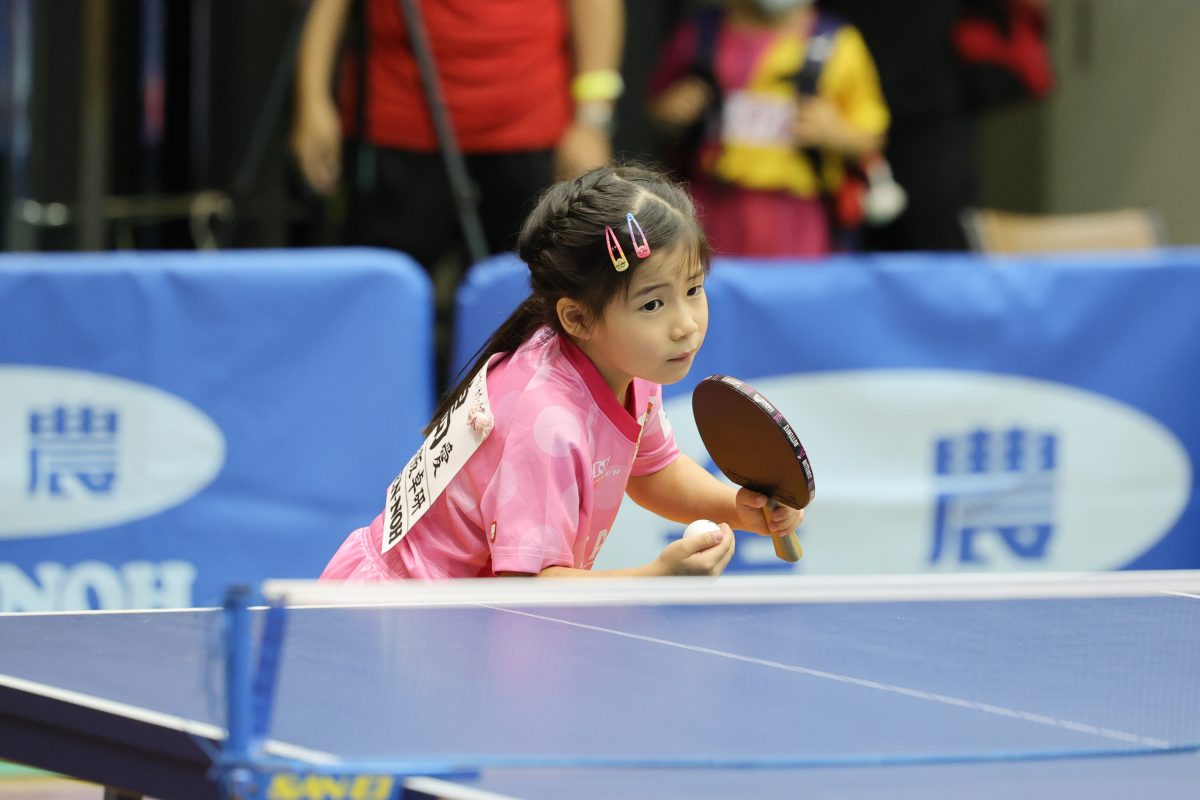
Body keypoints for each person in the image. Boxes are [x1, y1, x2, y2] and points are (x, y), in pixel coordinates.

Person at [320, 164, 804, 580]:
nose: (685, 325)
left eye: (694, 289)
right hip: (401, 622)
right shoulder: (546, 420)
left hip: (464, 624)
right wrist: (657, 578)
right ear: (578, 318)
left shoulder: (631, 366)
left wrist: (737, 510)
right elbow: (529, 587)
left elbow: (653, 471)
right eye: (653, 303)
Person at [290, 0, 625, 268]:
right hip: (398, 126)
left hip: (532, 127)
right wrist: (312, 99)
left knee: (530, 306)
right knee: (384, 299)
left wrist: (592, 120)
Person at [647, 0, 891, 258]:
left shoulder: (837, 41)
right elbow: (658, 106)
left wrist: (833, 131)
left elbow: (873, 134)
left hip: (798, 216)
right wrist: (675, 109)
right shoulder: (701, 32)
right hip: (709, 205)